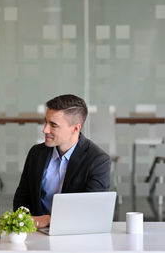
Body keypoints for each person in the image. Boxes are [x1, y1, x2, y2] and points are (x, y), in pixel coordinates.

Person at [13, 94, 110, 228]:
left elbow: (91, 212)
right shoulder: (36, 153)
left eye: (53, 125)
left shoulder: (98, 161)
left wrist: (48, 220)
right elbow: (22, 198)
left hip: (73, 236)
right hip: (34, 234)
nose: (45, 129)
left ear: (76, 128)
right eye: (46, 122)